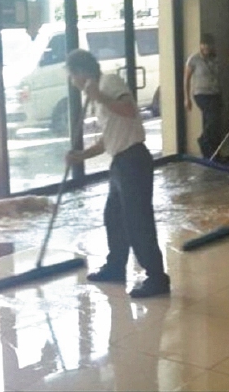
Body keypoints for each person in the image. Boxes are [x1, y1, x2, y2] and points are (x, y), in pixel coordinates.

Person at [65, 49, 170, 298]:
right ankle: (115, 267)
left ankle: (157, 277)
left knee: (138, 222)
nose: (72, 81)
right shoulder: (98, 91)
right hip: (120, 163)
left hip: (133, 160)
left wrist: (99, 96)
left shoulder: (109, 82)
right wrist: (81, 155)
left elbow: (129, 109)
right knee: (114, 217)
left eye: (72, 75)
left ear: (81, 72)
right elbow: (107, 139)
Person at [184, 33, 222, 159]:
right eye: (204, 44)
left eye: (209, 45)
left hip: (215, 93)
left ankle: (210, 152)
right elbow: (187, 79)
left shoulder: (215, 58)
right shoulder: (193, 59)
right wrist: (187, 98)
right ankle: (203, 141)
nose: (206, 47)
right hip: (201, 94)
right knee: (212, 119)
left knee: (212, 122)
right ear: (200, 45)